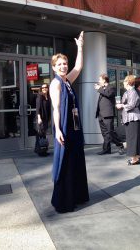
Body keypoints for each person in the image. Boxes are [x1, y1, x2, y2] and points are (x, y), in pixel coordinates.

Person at [50, 31, 89, 213]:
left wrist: (79, 47)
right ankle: (63, 201)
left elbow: (79, 67)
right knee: (65, 163)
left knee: (76, 161)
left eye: (65, 63)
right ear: (54, 68)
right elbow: (56, 109)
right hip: (65, 128)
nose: (64, 66)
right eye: (60, 64)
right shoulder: (56, 84)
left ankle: (77, 195)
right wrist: (58, 130)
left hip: (74, 128)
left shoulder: (67, 81)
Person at [116, 75, 140, 165]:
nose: (123, 82)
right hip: (131, 118)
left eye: (124, 81)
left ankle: (134, 159)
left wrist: (122, 105)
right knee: (134, 138)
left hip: (133, 118)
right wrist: (121, 105)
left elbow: (131, 105)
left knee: (132, 139)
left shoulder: (132, 92)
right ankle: (136, 157)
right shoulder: (129, 91)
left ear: (128, 82)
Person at [95, 73, 124, 155]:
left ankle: (120, 144)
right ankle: (106, 149)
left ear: (104, 80)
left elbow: (108, 94)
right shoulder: (103, 89)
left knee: (110, 132)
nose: (99, 81)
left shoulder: (110, 87)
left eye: (100, 79)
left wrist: (99, 89)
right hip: (101, 114)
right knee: (105, 133)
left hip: (108, 114)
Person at [35, 83, 51, 156]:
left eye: (46, 87)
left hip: (46, 118)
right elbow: (38, 108)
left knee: (43, 135)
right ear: (41, 89)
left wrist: (49, 119)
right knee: (40, 134)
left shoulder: (48, 97)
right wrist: (39, 118)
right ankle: (40, 151)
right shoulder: (40, 96)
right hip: (41, 118)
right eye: (43, 88)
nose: (44, 89)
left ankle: (43, 150)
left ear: (48, 88)